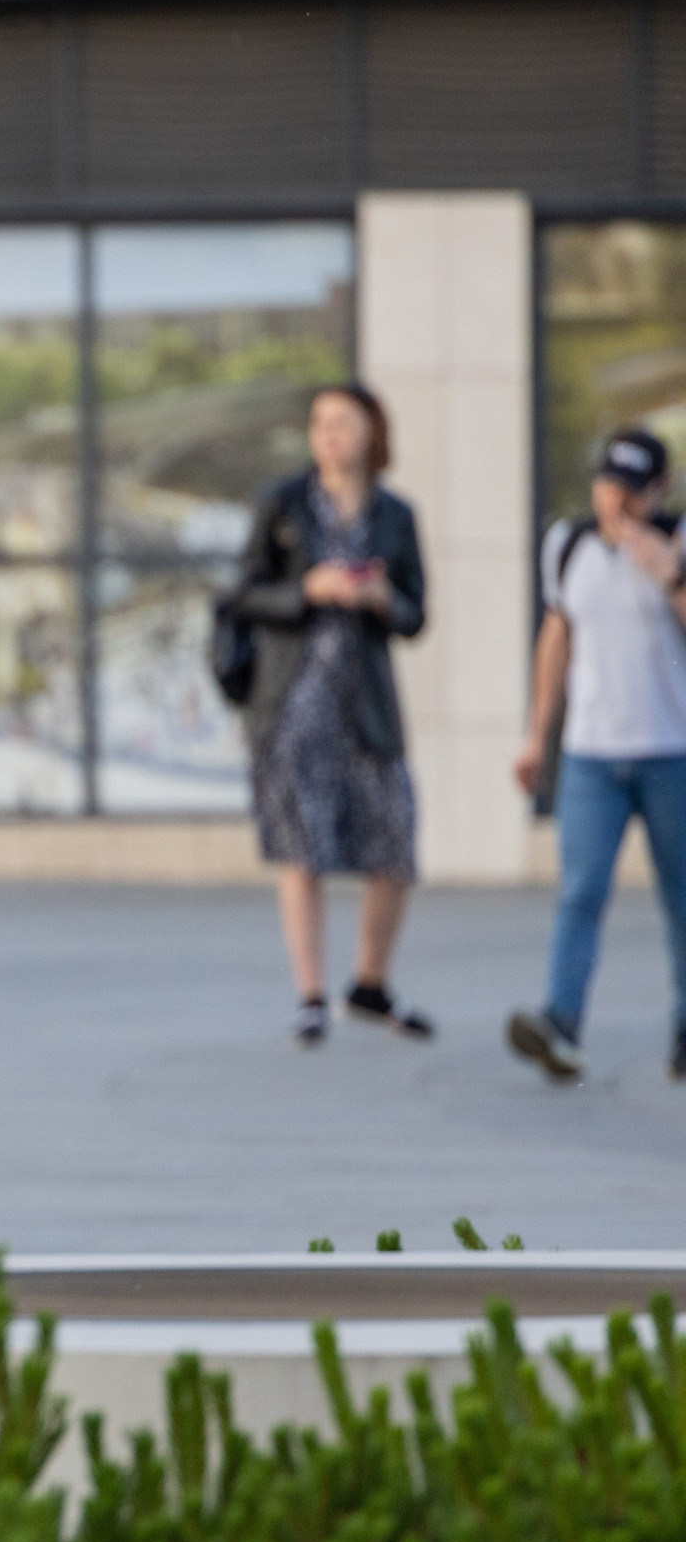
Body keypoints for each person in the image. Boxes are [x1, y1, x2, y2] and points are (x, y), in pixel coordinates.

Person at [231, 383, 432, 1049]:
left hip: (366, 705)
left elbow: (416, 613)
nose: (329, 435)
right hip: (294, 702)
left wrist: (380, 597)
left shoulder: (394, 515)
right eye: (319, 422)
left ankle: (369, 983)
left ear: (372, 431)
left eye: (342, 422)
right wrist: (305, 591)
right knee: (301, 848)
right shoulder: (283, 504)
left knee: (396, 840)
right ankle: (311, 995)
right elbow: (243, 594)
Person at [506, 428, 686, 1084]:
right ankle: (560, 1022)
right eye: (609, 486)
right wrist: (535, 735)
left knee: (682, 895)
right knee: (580, 890)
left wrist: (670, 574)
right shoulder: (569, 544)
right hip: (591, 754)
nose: (618, 502)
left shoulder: (678, 540)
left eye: (633, 491)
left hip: (672, 751)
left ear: (659, 491)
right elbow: (555, 640)